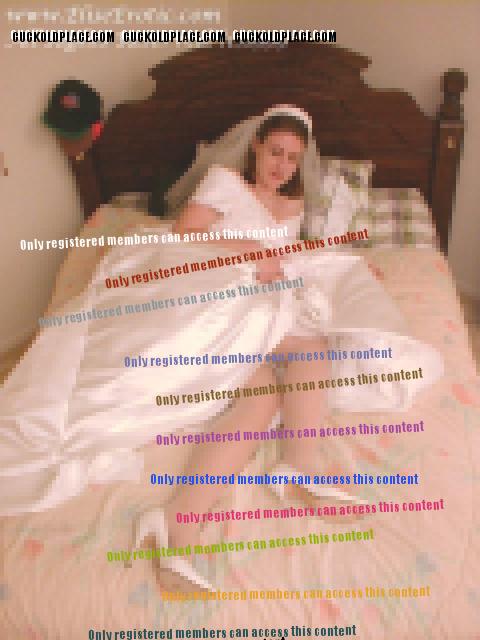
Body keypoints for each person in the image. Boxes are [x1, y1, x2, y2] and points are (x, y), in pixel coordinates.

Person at [0, 105, 443, 594]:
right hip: (208, 286)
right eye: (275, 152)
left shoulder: (293, 204)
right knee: (302, 350)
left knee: (266, 394)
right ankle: (296, 467)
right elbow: (186, 235)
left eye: (292, 159)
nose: (282, 166)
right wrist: (250, 253)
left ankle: (179, 520)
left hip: (260, 296)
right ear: (255, 146)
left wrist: (342, 262)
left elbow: (289, 255)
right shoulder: (225, 182)